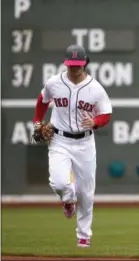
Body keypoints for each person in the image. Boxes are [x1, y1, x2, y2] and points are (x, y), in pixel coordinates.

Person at [32, 44, 112, 248]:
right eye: (71, 65)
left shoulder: (95, 88)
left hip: (85, 142)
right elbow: (42, 100)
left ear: (85, 63)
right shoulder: (54, 82)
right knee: (59, 182)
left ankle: (84, 236)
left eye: (78, 65)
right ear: (65, 63)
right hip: (59, 140)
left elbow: (106, 114)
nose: (74, 69)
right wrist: (38, 122)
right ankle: (68, 199)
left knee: (86, 192)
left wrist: (95, 122)